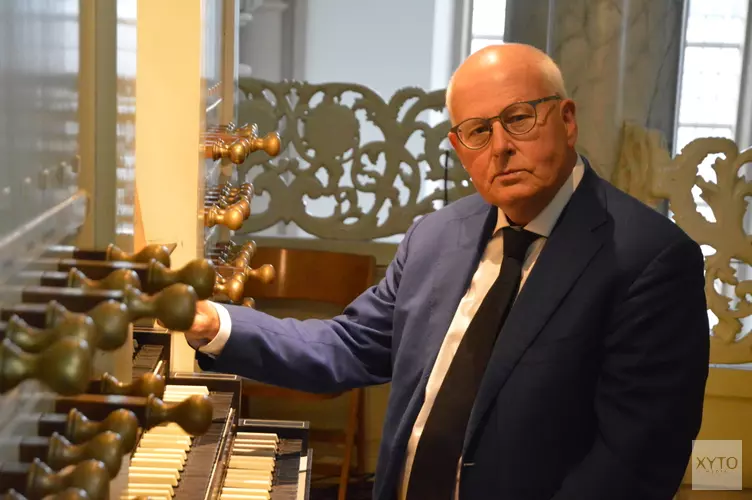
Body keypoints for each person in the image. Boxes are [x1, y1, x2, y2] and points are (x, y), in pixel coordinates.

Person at [185, 43, 710, 500]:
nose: (500, 147)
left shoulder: (650, 260)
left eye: (519, 118)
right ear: (460, 150)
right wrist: (218, 326)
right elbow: (350, 346)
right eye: (477, 132)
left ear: (567, 120)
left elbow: (634, 461)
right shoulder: (437, 236)